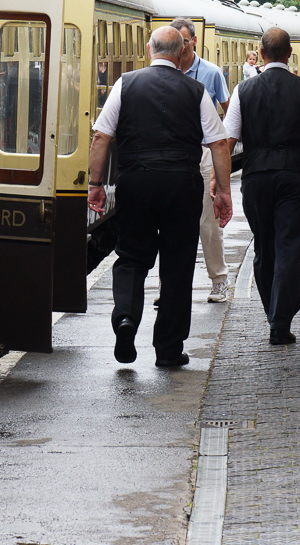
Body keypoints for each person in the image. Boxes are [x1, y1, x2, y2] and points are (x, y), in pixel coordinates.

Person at [87, 26, 233, 368]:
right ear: (182, 51)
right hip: (182, 185)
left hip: (137, 182)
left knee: (131, 257)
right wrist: (222, 191)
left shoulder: (126, 83)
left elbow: (101, 138)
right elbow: (219, 145)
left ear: (149, 50)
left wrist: (95, 184)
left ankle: (125, 318)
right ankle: (167, 349)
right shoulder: (196, 90)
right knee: (177, 265)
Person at [223, 27, 300, 344]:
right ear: (290, 54)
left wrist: (218, 182)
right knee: (289, 249)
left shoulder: (242, 90)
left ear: (261, 54)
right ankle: (280, 321)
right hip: (296, 177)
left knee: (264, 247)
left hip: (256, 178)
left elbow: (227, 142)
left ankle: (272, 312)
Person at [173, 18, 231, 304]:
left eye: (184, 41)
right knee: (172, 222)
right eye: (176, 41)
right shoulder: (165, 71)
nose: (180, 47)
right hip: (174, 151)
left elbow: (229, 113)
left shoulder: (211, 73)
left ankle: (219, 280)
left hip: (204, 151)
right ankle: (169, 285)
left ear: (194, 41)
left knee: (209, 221)